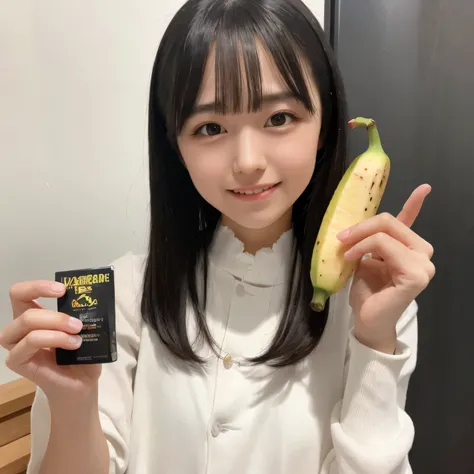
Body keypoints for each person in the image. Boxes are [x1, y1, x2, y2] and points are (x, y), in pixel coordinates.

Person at [0, 0, 436, 473]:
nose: (247, 160)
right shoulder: (123, 294)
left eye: (279, 118)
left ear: (324, 124)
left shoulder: (372, 304)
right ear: (176, 146)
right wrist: (72, 404)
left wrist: (375, 340)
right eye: (210, 127)